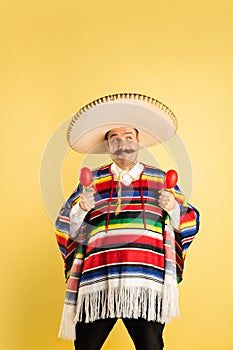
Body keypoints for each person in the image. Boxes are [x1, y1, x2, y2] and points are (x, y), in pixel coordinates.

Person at [55, 93, 200, 350]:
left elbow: (190, 221)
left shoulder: (161, 179)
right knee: (85, 346)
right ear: (108, 145)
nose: (122, 143)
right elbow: (66, 226)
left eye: (128, 137)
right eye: (115, 138)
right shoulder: (93, 181)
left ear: (138, 141)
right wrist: (80, 209)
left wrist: (173, 209)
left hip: (144, 281)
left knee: (151, 346)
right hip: (99, 281)